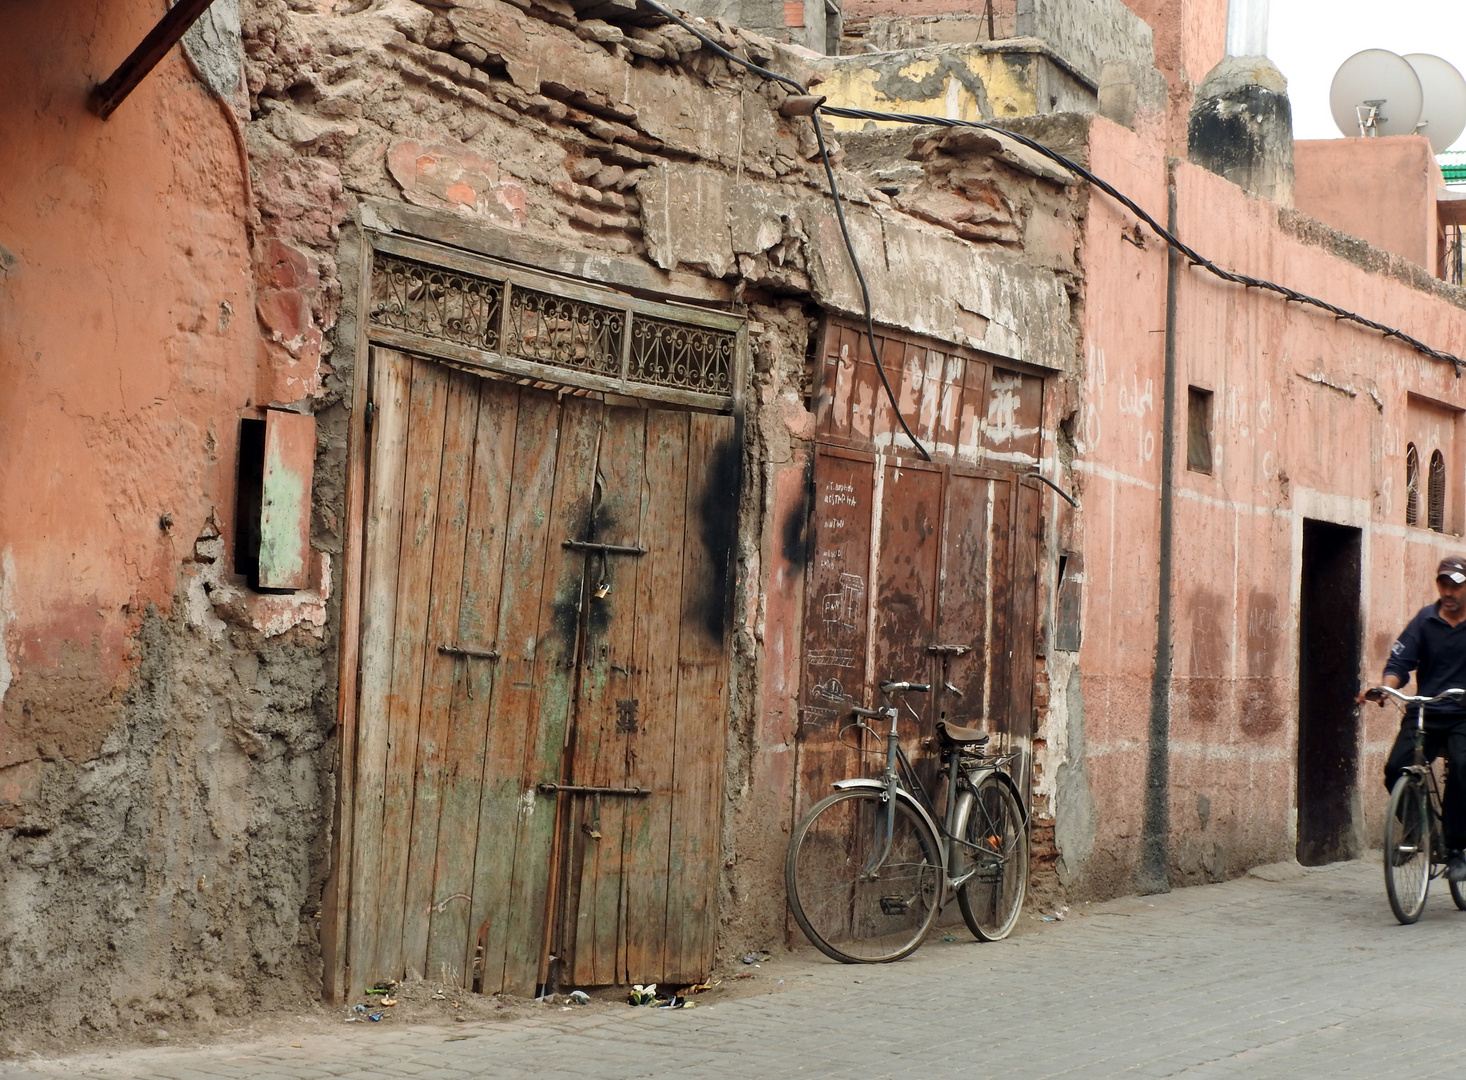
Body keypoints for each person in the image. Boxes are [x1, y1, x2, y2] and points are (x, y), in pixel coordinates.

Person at [1362, 555, 1466, 882]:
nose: (1449, 592)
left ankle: (1455, 850)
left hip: (1463, 714)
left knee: (1463, 768)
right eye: (1444, 585)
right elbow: (1399, 664)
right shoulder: (1424, 621)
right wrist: (1385, 688)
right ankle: (1415, 824)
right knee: (1395, 768)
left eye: (1457, 587)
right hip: (1426, 709)